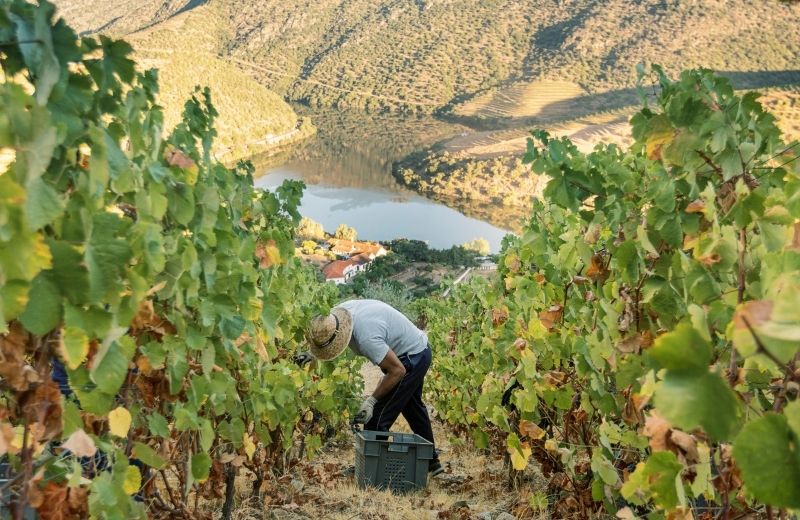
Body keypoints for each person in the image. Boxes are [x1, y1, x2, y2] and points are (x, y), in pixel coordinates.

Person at [303, 299, 444, 476]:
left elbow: (397, 371)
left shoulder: (367, 338)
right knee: (413, 408)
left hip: (412, 358)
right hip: (417, 350)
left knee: (377, 417)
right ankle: (432, 462)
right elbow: (327, 337)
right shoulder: (337, 315)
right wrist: (312, 354)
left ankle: (372, 473)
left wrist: (371, 401)